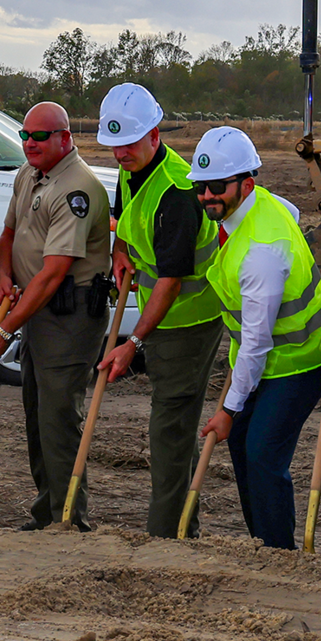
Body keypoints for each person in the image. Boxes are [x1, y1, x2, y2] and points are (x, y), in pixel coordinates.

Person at [94, 82, 224, 537]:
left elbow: (170, 281)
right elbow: (127, 219)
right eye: (114, 146)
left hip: (188, 321)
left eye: (128, 144)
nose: (120, 154)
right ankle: (178, 524)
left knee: (170, 426)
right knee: (174, 422)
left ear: (154, 134)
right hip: (162, 313)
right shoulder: (132, 170)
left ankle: (168, 533)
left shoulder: (178, 192)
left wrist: (133, 342)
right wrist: (120, 250)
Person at [192, 127, 321, 549]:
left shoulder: (262, 252)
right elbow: (288, 209)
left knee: (262, 453)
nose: (206, 196)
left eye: (216, 187)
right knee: (242, 448)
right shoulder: (258, 207)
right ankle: (259, 541)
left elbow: (255, 342)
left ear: (246, 184)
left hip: (297, 362)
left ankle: (277, 552)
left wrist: (229, 409)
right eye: (200, 187)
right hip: (263, 358)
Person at [0, 101, 113, 530]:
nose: (30, 143)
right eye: (25, 135)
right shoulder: (29, 174)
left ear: (65, 138)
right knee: (37, 413)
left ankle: (70, 518)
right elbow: (9, 234)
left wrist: (3, 329)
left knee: (58, 416)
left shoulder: (77, 188)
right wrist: (5, 276)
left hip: (68, 313)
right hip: (34, 307)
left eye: (40, 136)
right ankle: (48, 509)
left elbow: (54, 272)